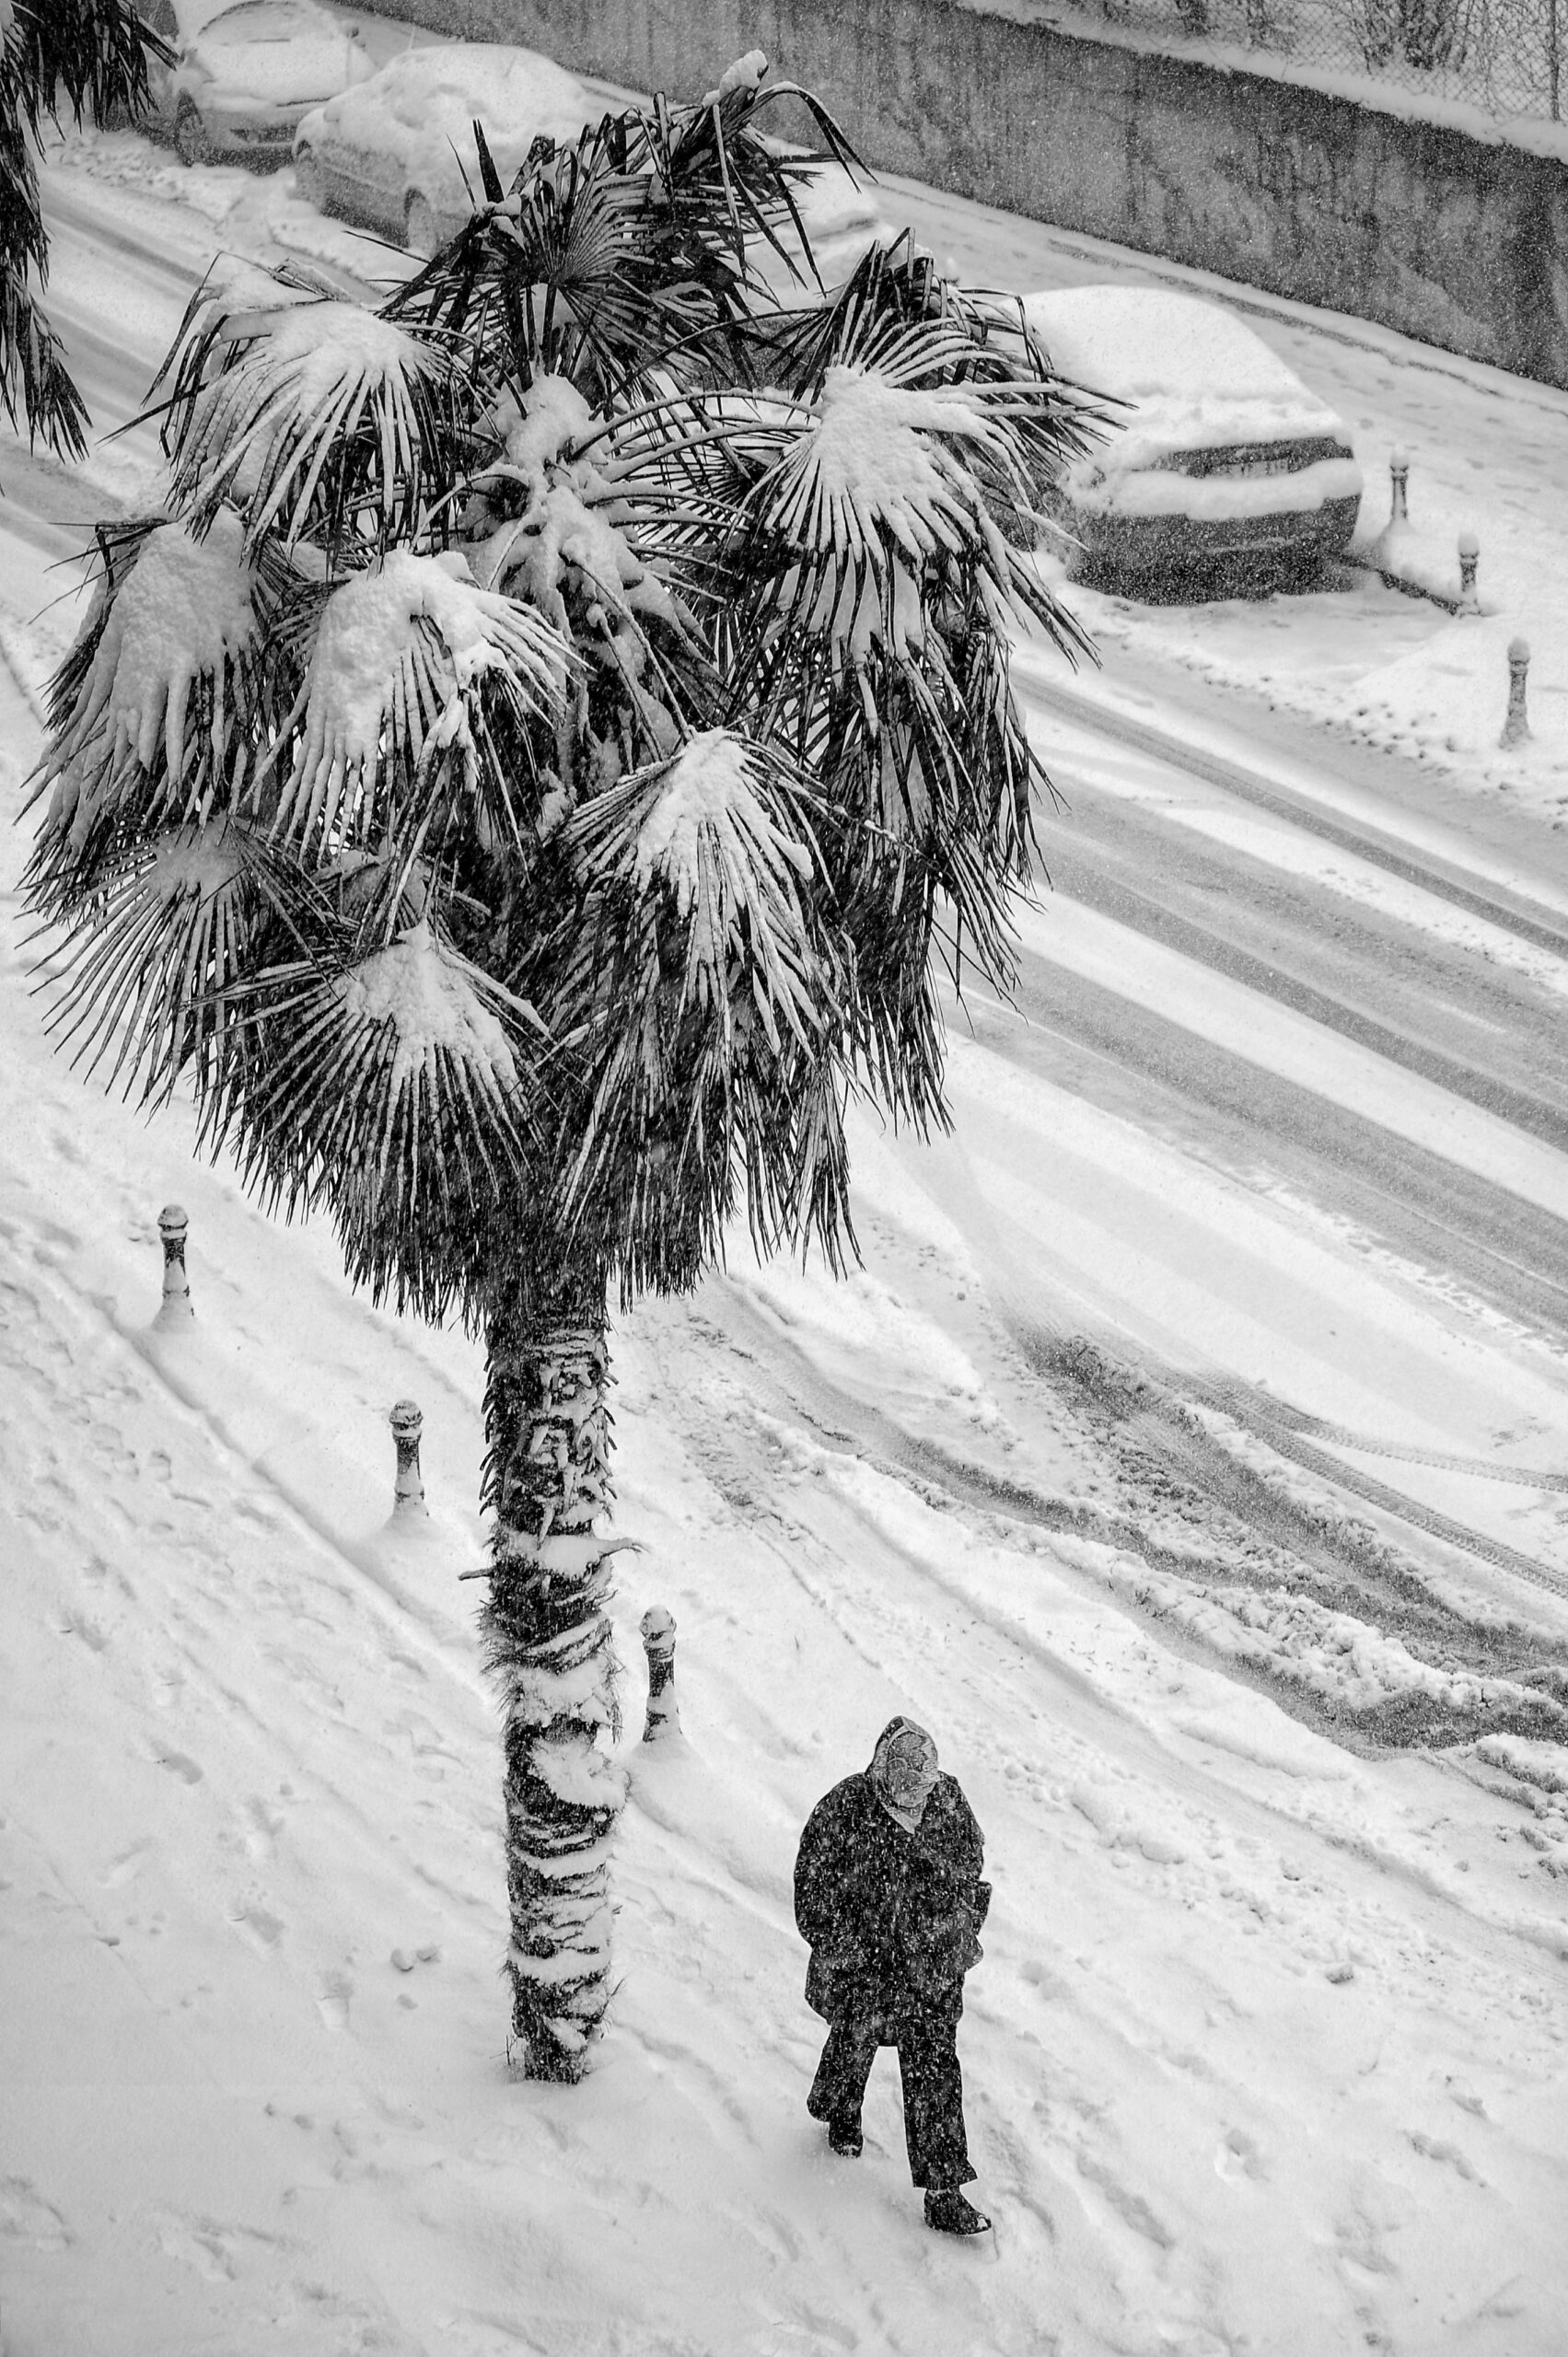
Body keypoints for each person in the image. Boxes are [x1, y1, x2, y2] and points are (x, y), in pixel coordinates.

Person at [793, 1717, 993, 2235]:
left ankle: (944, 2191)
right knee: (854, 2037)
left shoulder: (946, 1800)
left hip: (928, 1967)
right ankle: (839, 2110)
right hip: (868, 1964)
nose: (913, 1802)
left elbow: (970, 1859)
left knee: (934, 2068)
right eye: (902, 1790)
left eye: (921, 1791)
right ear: (882, 1771)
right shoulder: (846, 1807)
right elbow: (811, 1887)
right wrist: (849, 1947)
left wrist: (952, 1924)